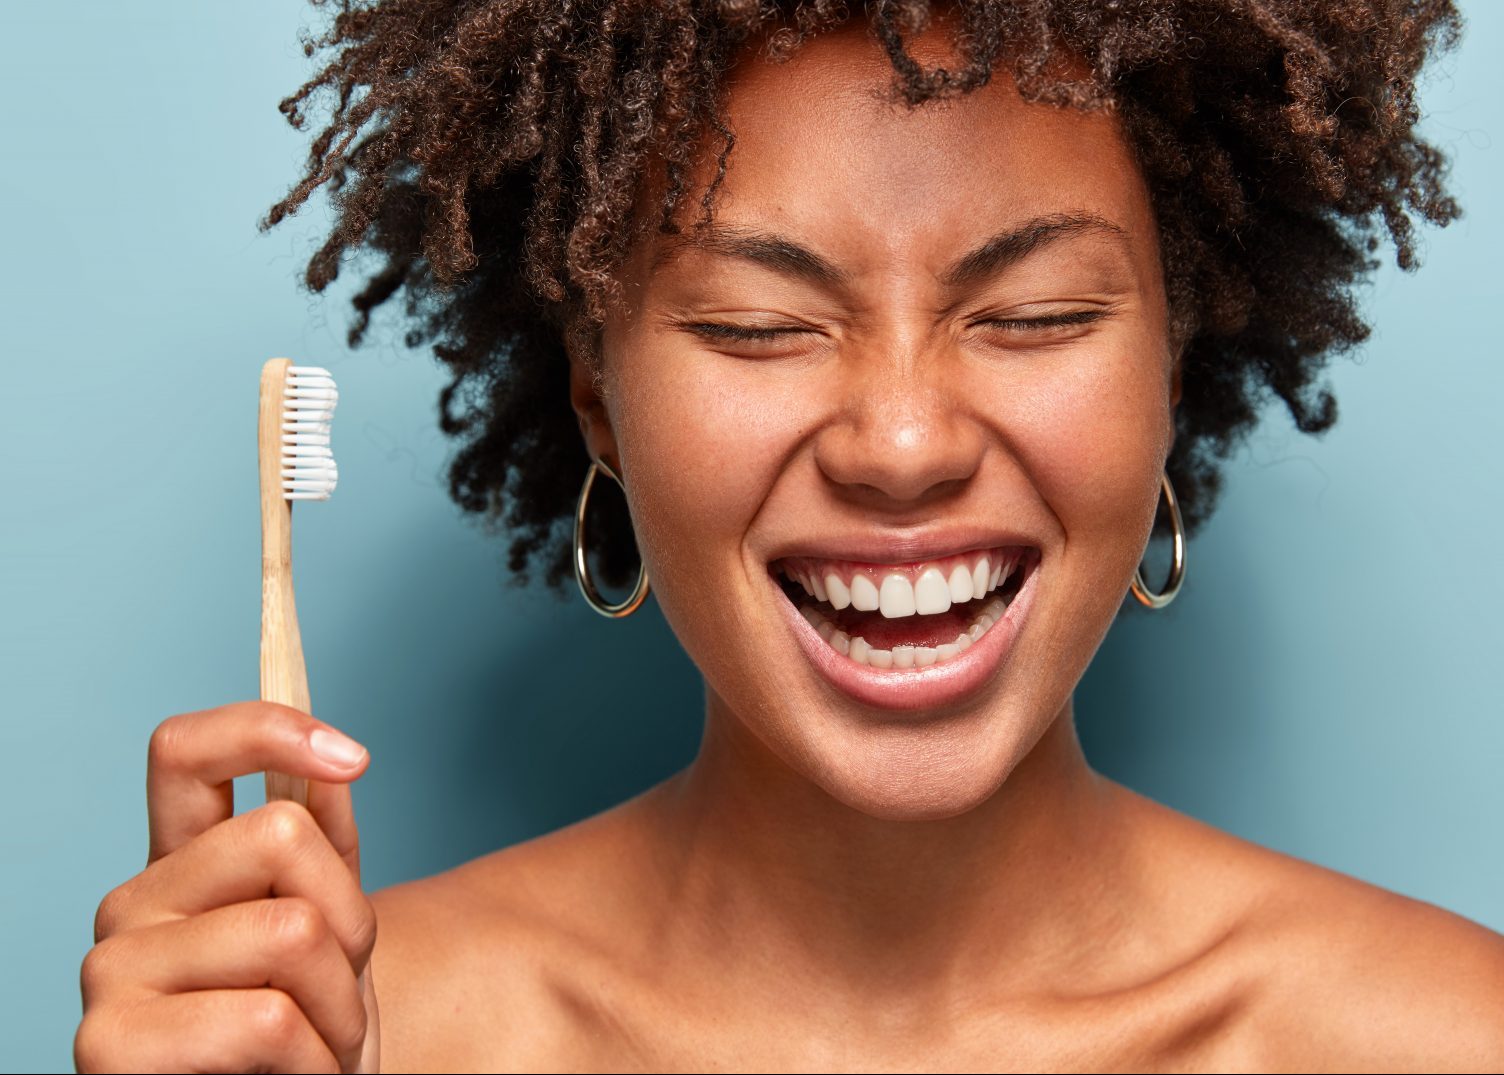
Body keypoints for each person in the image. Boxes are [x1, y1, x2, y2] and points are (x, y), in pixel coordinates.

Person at [76, 2, 1504, 1071]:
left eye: (1037, 316)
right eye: (758, 326)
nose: (902, 444)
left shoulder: (1448, 1038)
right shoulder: (350, 1040)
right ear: (601, 403)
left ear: (1169, 376)